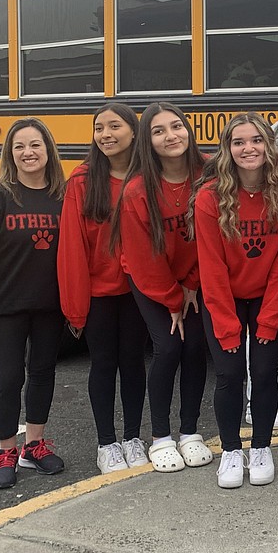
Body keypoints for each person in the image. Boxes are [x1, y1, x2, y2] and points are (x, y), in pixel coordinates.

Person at [192, 113, 278, 489]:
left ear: (268, 145)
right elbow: (211, 267)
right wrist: (226, 326)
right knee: (227, 374)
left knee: (263, 372)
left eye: (256, 140)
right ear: (228, 149)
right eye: (239, 142)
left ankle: (261, 446)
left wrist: (271, 318)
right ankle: (230, 450)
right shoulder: (210, 197)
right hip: (223, 297)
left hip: (268, 297)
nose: (248, 149)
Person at [0, 118, 67, 489]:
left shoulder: (63, 196)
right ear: (10, 153)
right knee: (8, 379)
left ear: (48, 150)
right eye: (20, 146)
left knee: (42, 374)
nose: (28, 153)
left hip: (50, 306)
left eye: (35, 145)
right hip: (6, 308)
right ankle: (6, 450)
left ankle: (34, 445)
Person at [112, 102, 212, 474]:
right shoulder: (138, 190)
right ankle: (160, 437)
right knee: (169, 347)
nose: (171, 136)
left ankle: (189, 432)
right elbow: (141, 258)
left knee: (196, 348)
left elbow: (216, 240)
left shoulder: (209, 174)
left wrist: (192, 285)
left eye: (177, 127)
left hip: (196, 279)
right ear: (147, 142)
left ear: (188, 130)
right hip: (153, 283)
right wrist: (173, 298)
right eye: (159, 131)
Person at [58, 103, 149, 475]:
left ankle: (132, 436)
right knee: (103, 364)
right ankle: (106, 443)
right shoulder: (82, 180)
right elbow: (72, 248)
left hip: (139, 290)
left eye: (115, 126)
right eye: (99, 128)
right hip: (98, 292)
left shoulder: (148, 175)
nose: (106, 134)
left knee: (134, 363)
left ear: (133, 132)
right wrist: (75, 306)